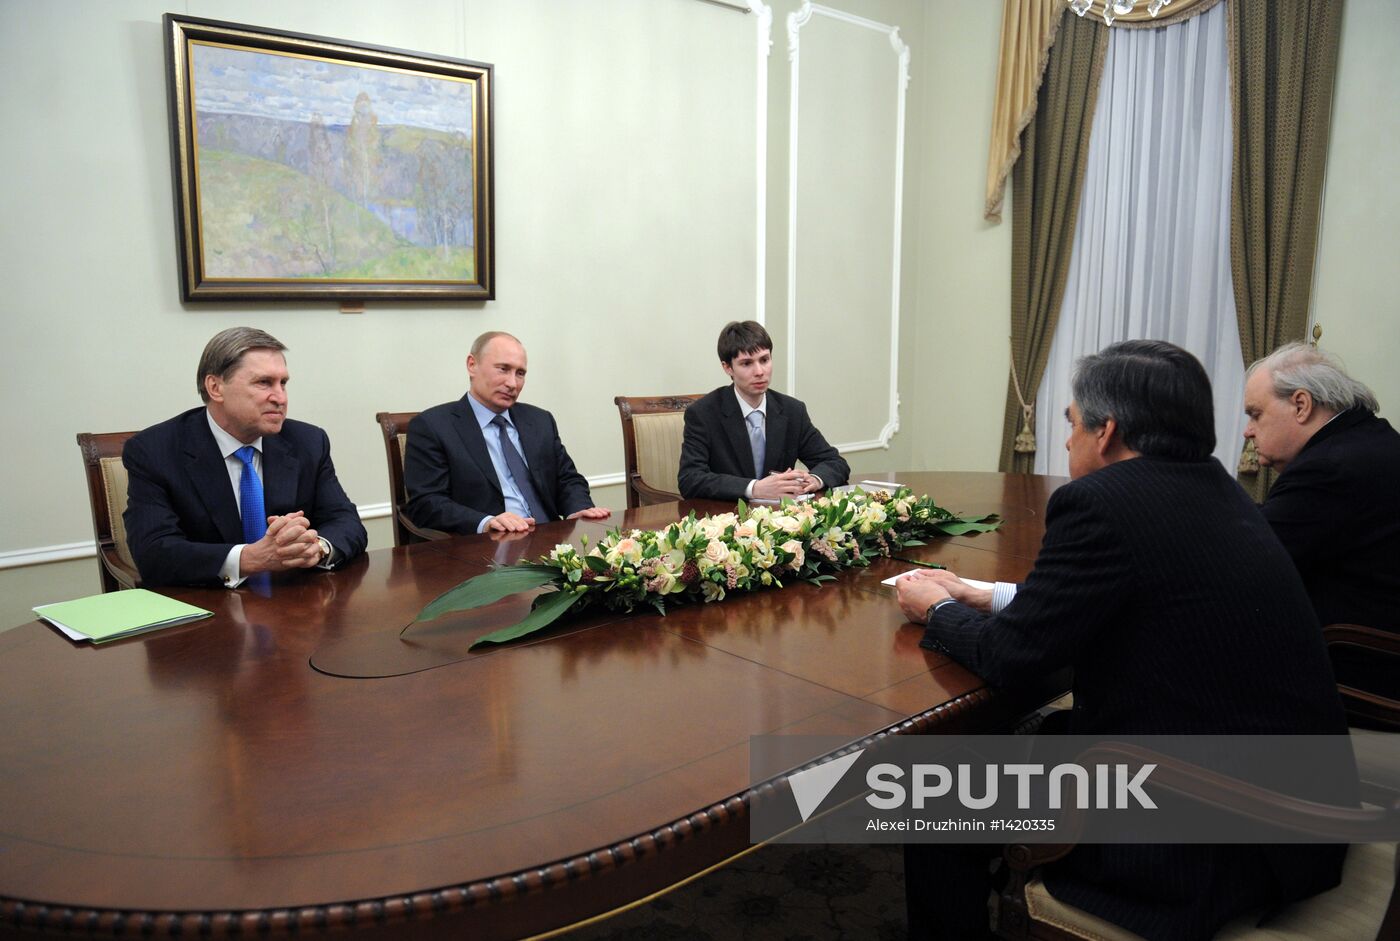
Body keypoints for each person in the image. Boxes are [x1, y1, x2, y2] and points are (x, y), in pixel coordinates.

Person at [896, 340, 1349, 941]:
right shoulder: (1217, 490)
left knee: (929, 792)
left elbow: (1010, 658)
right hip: (1292, 816)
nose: (1065, 441)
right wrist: (992, 597)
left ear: (1106, 431)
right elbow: (1128, 599)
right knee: (1010, 741)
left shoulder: (1099, 503)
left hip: (1207, 833)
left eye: (1072, 424)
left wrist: (940, 607)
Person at [123, 327, 367, 588]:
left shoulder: (308, 441)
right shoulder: (155, 450)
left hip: (294, 605)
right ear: (215, 387)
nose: (280, 398)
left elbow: (347, 522)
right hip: (205, 606)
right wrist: (249, 559)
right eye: (264, 383)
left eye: (283, 383)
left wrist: (316, 548)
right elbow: (154, 552)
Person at [1243, 342, 1400, 633]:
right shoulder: (1370, 438)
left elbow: (1247, 559)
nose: (1248, 431)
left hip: (1352, 661)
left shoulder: (1328, 468)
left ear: (1301, 405)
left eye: (1256, 414)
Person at [403, 331, 610, 535]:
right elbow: (427, 503)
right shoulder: (433, 426)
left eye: (520, 373)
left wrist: (578, 509)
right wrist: (486, 522)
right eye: (503, 369)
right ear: (472, 365)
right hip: (488, 549)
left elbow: (568, 479)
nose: (512, 383)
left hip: (552, 541)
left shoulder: (540, 420)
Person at [677, 320, 849, 501]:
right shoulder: (703, 413)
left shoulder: (792, 410)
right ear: (727, 367)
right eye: (746, 363)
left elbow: (834, 462)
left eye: (764, 360)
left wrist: (814, 479)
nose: (759, 371)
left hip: (783, 519)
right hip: (727, 517)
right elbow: (690, 479)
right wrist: (754, 488)